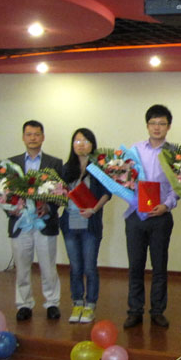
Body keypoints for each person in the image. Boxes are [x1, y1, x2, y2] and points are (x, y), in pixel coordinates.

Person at [123, 104, 179, 329]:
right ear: (147, 125)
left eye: (162, 123)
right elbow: (124, 180)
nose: (157, 127)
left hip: (161, 216)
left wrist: (166, 205)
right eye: (153, 123)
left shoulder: (175, 153)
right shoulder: (134, 151)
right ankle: (134, 310)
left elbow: (179, 186)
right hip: (135, 216)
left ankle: (157, 310)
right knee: (135, 266)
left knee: (159, 266)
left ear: (168, 126)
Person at [8, 120, 63, 321]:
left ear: (43, 137)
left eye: (37, 134)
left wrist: (48, 207)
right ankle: (24, 304)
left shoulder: (54, 163)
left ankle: (52, 303)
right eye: (29, 134)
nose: (33, 138)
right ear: (23, 137)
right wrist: (12, 209)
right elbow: (4, 194)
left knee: (48, 267)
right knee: (22, 268)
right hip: (20, 224)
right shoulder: (11, 164)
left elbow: (61, 193)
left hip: (44, 222)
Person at [60, 128, 111, 324]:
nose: (81, 144)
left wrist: (94, 209)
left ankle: (90, 305)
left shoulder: (99, 167)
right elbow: (58, 193)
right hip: (70, 224)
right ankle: (77, 303)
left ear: (92, 145)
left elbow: (107, 193)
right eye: (77, 141)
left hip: (90, 224)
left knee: (89, 267)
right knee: (75, 268)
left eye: (85, 141)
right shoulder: (66, 169)